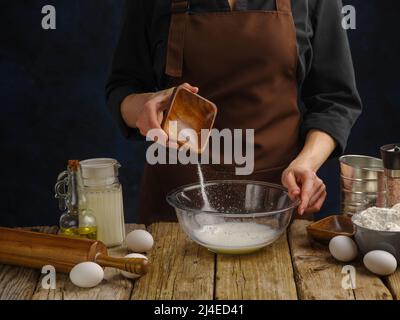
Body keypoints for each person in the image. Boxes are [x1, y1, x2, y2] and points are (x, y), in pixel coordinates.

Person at [106, 0, 362, 224]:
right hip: (175, 209)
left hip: (279, 204)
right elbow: (122, 89)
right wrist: (146, 104)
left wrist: (306, 163)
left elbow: (334, 99)